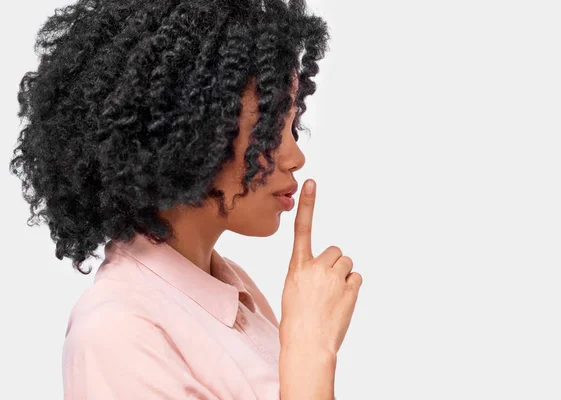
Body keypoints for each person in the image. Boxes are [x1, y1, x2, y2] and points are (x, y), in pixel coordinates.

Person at [9, 0, 363, 398]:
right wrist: (309, 352)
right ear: (188, 134)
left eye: (291, 126)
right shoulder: (118, 333)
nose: (295, 157)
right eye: (266, 130)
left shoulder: (233, 289)